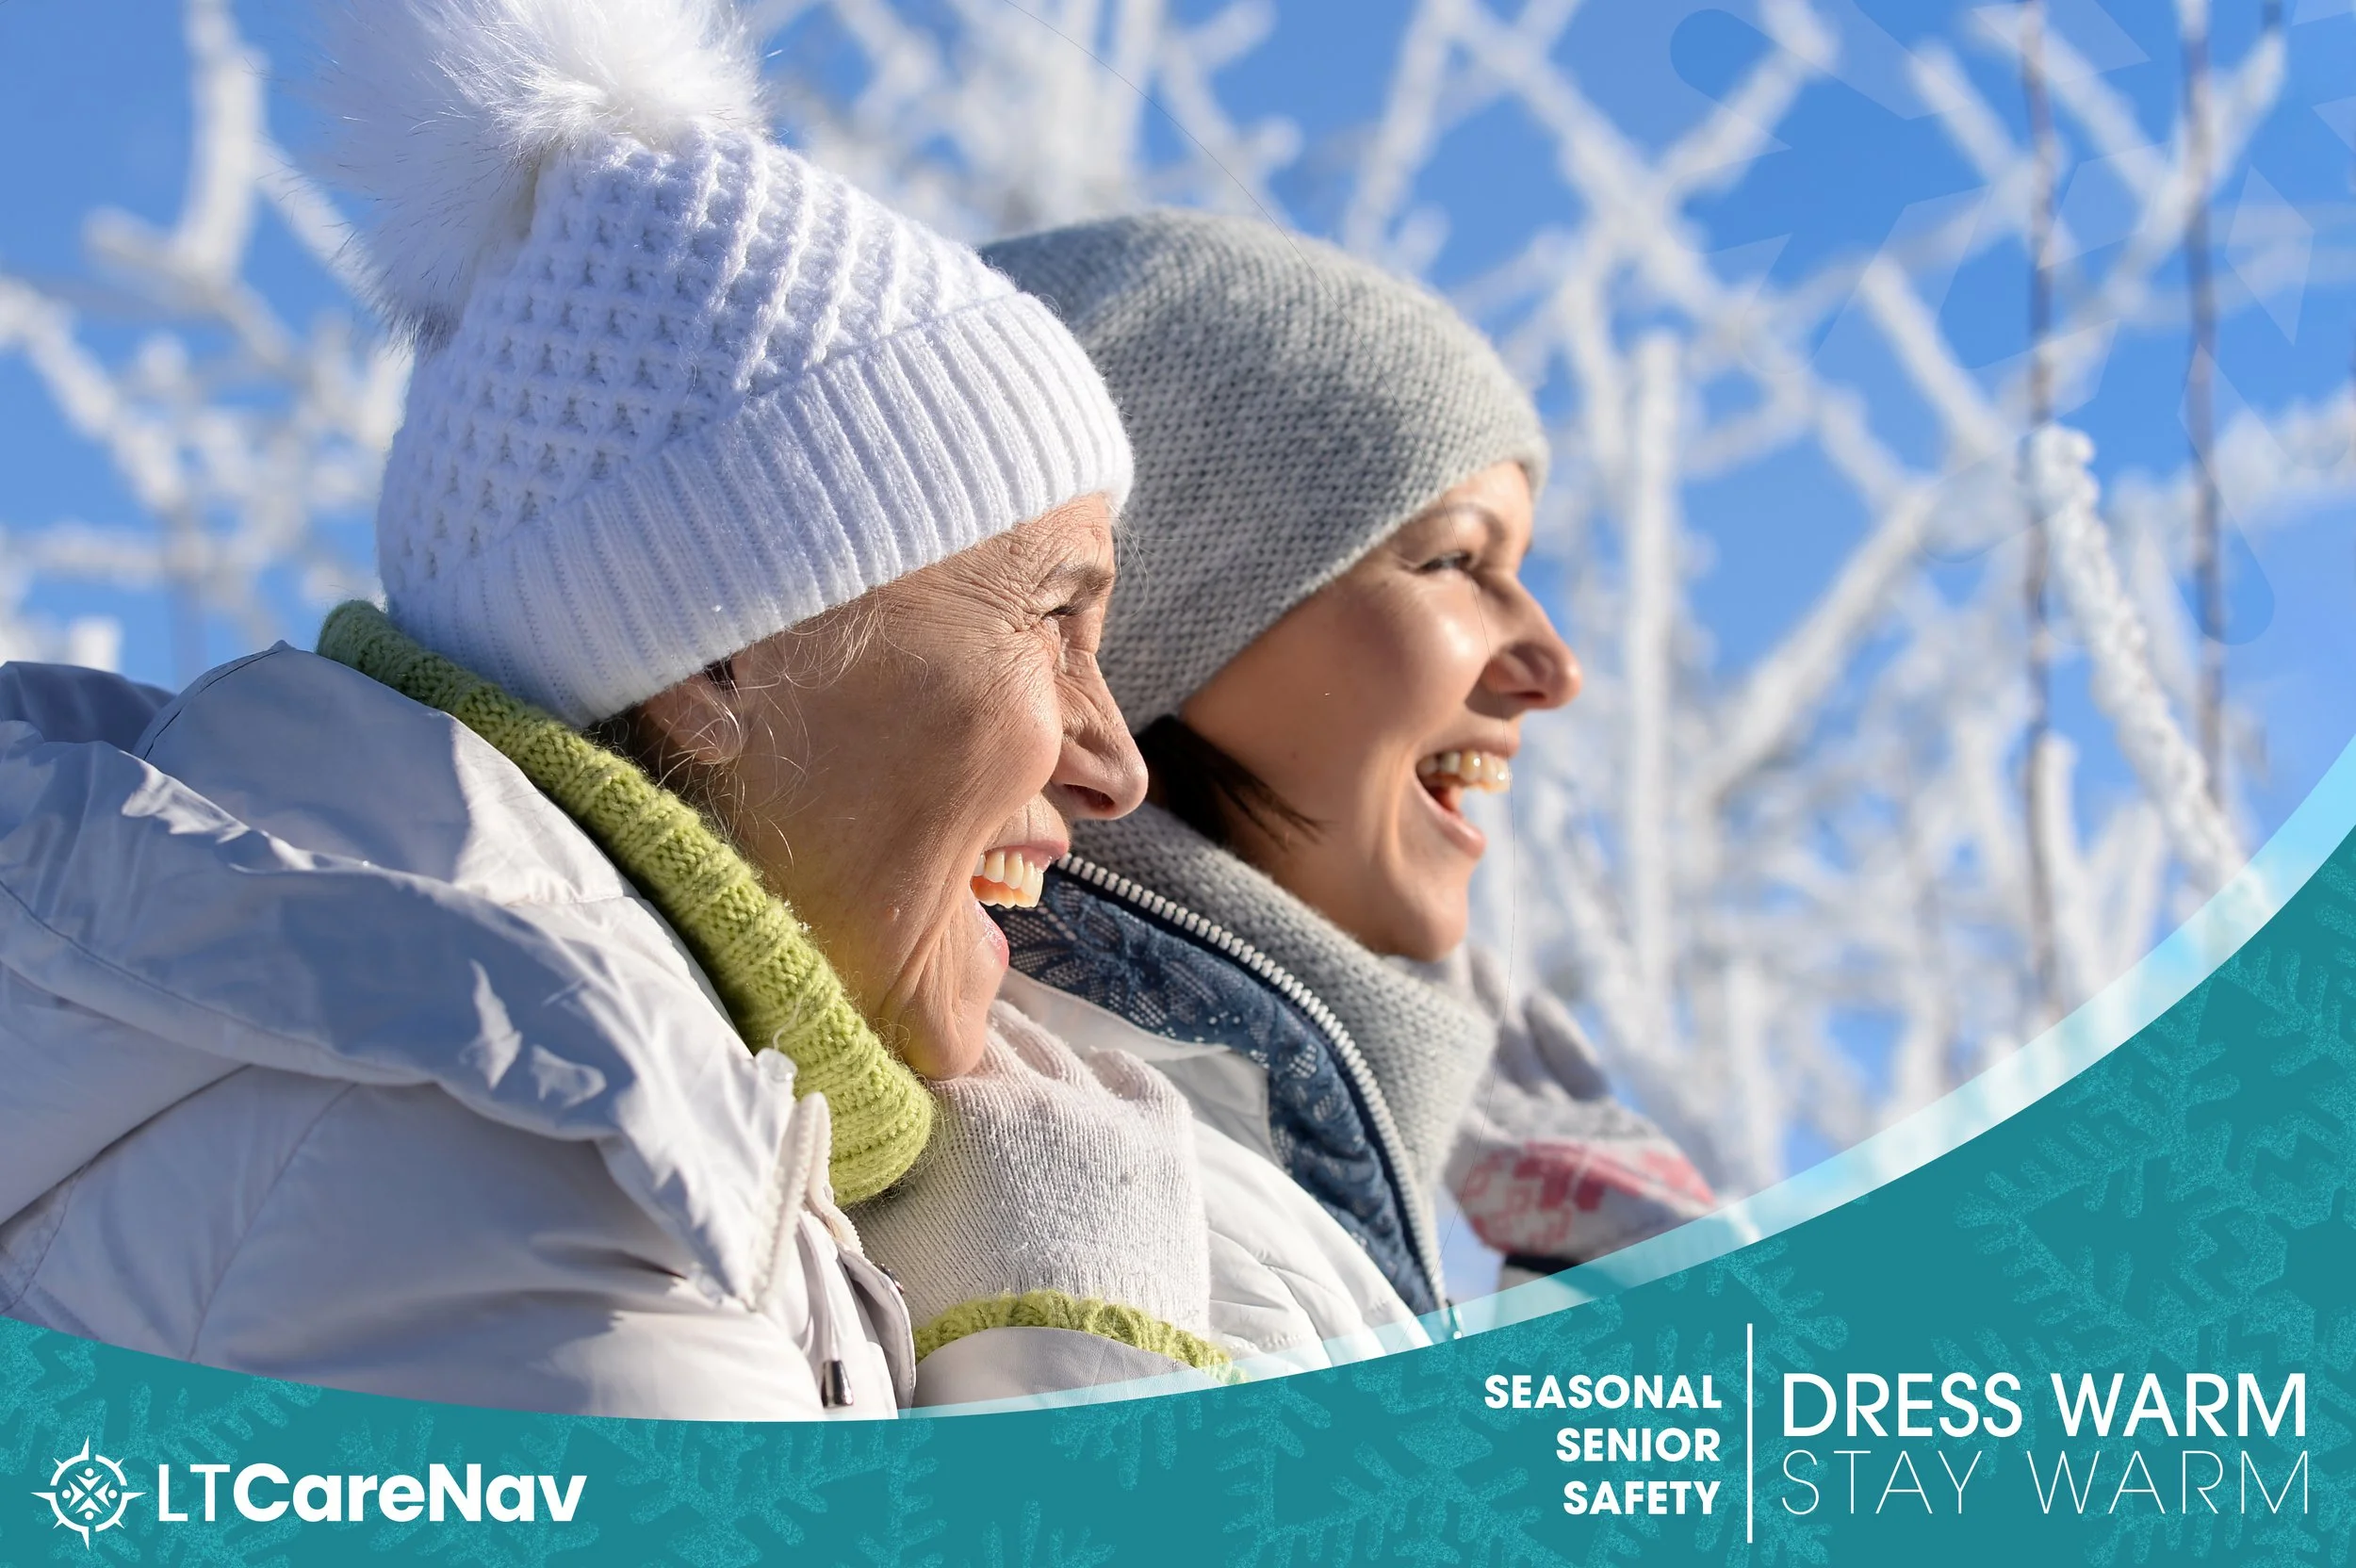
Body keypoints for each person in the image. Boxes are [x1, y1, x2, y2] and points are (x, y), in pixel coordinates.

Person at [0, 0, 1220, 1417]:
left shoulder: (580, 1104)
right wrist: (1079, 1349)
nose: (1115, 760)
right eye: (1052, 622)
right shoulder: (526, 1172)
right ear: (721, 663)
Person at [979, 212, 1715, 1365]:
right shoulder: (1128, 1211)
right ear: (1149, 598)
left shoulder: (1245, 1188)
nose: (1553, 668)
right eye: (1459, 561)